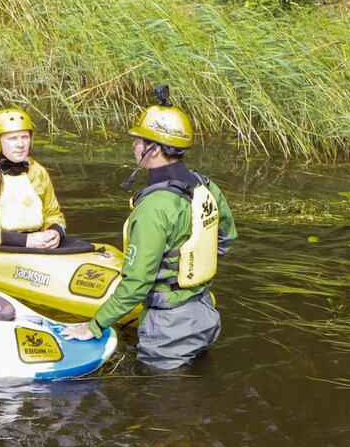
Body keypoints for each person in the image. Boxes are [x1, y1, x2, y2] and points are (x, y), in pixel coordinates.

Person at [63, 87, 237, 370]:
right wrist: (190, 271)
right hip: (205, 313)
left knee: (159, 394)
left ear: (153, 149)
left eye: (138, 140)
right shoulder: (204, 185)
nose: (133, 145)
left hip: (169, 328)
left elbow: (136, 284)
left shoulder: (153, 208)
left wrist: (94, 326)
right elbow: (227, 237)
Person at [0, 108, 69, 249]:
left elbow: (53, 214)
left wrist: (55, 231)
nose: (20, 144)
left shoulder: (37, 171)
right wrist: (25, 241)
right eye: (12, 139)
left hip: (37, 241)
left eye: (25, 137)